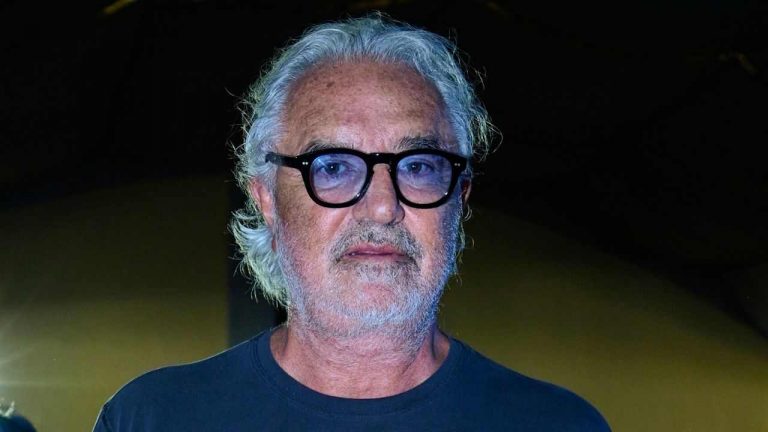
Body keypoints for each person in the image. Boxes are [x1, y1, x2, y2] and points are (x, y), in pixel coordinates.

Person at [93, 14, 610, 431]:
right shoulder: (152, 418)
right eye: (333, 167)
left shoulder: (559, 424)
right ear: (267, 199)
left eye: (419, 166)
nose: (382, 207)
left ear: (460, 198)